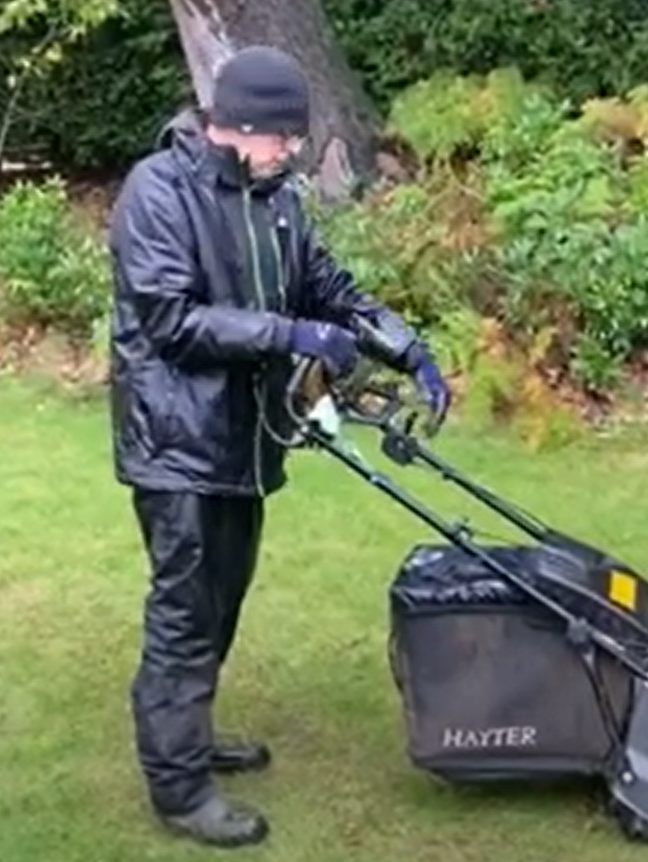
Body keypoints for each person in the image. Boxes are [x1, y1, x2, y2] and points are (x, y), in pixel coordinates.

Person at [105, 45, 451, 848]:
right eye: (285, 137)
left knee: (221, 602)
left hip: (246, 440)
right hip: (177, 442)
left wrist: (405, 346)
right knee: (185, 615)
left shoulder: (276, 199)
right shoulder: (158, 191)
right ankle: (180, 789)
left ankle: (190, 732)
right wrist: (289, 333)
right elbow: (171, 322)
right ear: (242, 128)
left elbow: (324, 284)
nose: (295, 151)